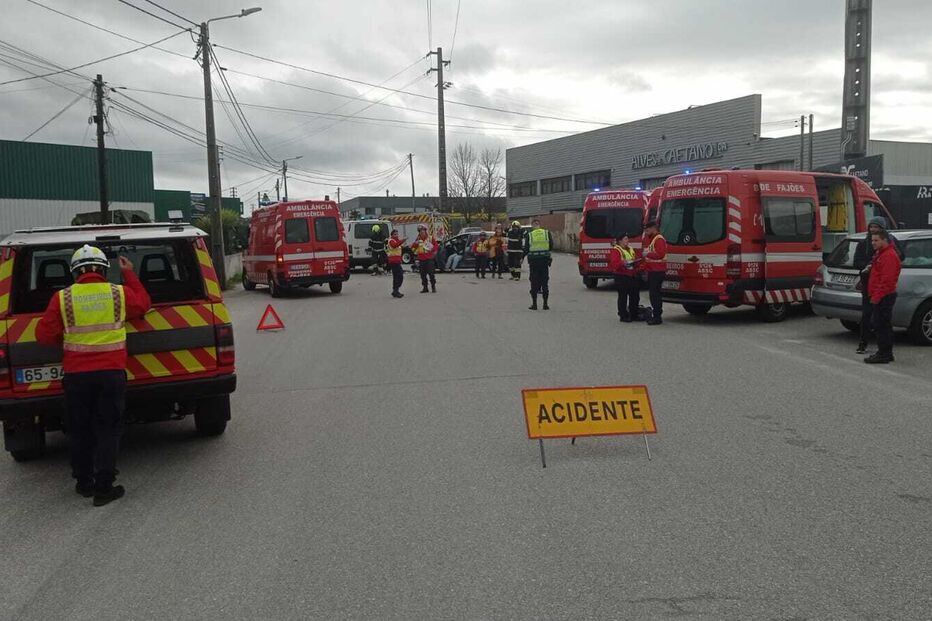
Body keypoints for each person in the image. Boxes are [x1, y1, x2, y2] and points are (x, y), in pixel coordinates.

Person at [36, 245, 151, 506]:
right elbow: (143, 304)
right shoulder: (118, 293)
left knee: (80, 429)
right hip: (111, 373)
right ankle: (104, 489)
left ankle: (84, 483)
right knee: (109, 429)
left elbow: (44, 336)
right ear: (103, 269)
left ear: (75, 272)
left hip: (77, 377)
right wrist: (130, 274)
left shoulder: (62, 298)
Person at [853, 217, 899, 354]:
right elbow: (857, 262)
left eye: (876, 227)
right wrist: (867, 266)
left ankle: (884, 351)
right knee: (867, 316)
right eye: (871, 227)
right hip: (869, 285)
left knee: (882, 320)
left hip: (881, 289)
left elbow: (898, 258)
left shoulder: (889, 248)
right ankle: (864, 343)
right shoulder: (863, 244)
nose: (873, 229)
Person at [864, 229, 902, 364]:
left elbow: (887, 281)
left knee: (881, 325)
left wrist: (876, 297)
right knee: (881, 324)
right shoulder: (881, 254)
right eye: (872, 240)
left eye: (876, 240)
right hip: (879, 294)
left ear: (884, 240)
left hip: (884, 296)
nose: (873, 243)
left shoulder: (889, 256)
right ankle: (886, 352)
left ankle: (884, 353)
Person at [609, 234, 640, 322]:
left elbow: (635, 258)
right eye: (625, 239)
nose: (627, 240)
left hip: (632, 275)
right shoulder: (616, 250)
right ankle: (623, 315)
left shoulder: (630, 249)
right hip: (621, 276)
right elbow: (614, 264)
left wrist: (637, 263)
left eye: (627, 239)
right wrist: (623, 263)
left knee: (635, 296)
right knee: (623, 296)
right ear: (620, 241)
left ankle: (634, 314)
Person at [641, 221, 667, 325]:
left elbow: (660, 254)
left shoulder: (659, 239)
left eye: (647, 230)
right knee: (654, 294)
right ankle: (657, 315)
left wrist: (648, 254)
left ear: (653, 228)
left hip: (657, 271)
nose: (646, 233)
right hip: (653, 270)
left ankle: (657, 317)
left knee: (654, 295)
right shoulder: (653, 239)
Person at [524, 218, 553, 310]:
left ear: (533, 225)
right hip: (544, 260)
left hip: (534, 261)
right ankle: (545, 304)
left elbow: (526, 248)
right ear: (539, 225)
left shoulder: (530, 235)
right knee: (544, 282)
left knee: (534, 281)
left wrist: (521, 257)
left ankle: (534, 304)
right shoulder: (546, 233)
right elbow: (551, 245)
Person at [411, 224, 438, 293]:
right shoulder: (418, 239)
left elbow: (436, 246)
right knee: (422, 275)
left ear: (425, 231)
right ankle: (425, 288)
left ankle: (433, 287)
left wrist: (432, 251)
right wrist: (415, 244)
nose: (421, 232)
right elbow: (413, 248)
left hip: (429, 259)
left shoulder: (430, 238)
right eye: (420, 231)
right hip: (421, 259)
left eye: (423, 231)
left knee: (431, 274)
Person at [386, 229, 407, 298]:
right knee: (399, 276)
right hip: (393, 261)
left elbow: (397, 247)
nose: (396, 235)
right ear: (391, 235)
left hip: (396, 261)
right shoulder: (391, 240)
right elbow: (395, 245)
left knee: (396, 277)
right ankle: (395, 290)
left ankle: (395, 290)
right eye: (395, 234)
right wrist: (403, 240)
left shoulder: (396, 240)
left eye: (397, 234)